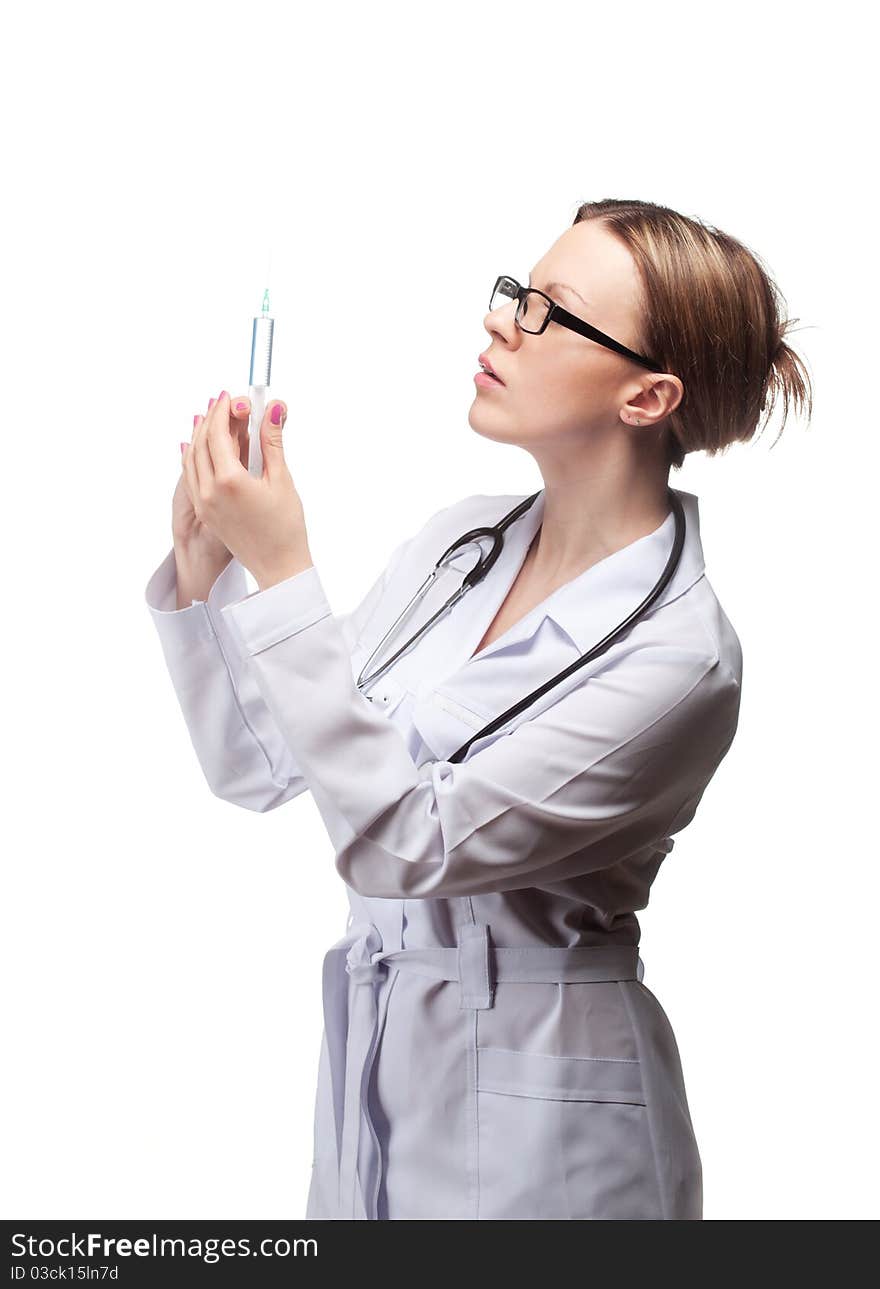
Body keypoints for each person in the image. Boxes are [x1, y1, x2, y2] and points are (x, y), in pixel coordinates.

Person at [144, 197, 812, 1220]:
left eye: (549, 311)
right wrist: (214, 572)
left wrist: (288, 573)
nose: (501, 321)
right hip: (379, 1071)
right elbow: (264, 763)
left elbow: (407, 845)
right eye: (516, 291)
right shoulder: (463, 545)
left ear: (646, 396)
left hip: (551, 1113)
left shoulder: (681, 662)